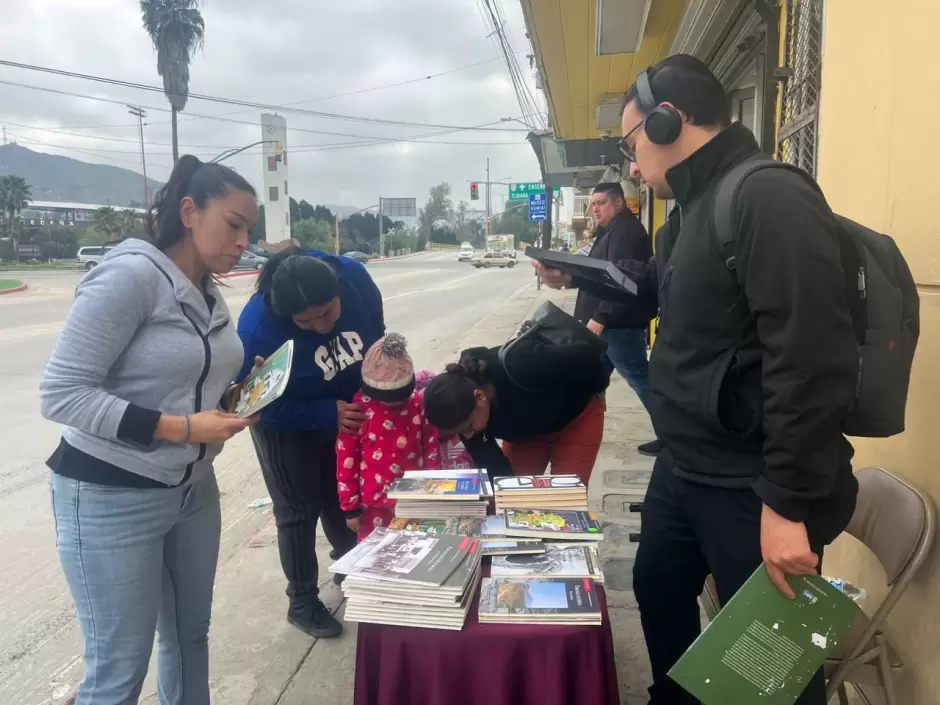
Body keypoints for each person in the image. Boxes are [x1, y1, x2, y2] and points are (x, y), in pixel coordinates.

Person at [543, 54, 859, 705]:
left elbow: (813, 360)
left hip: (754, 480)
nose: (632, 165)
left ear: (668, 121)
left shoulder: (768, 196)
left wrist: (787, 503)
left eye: (632, 143)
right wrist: (580, 274)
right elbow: (661, 291)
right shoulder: (687, 215)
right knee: (658, 585)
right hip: (687, 465)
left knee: (773, 667)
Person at [39, 155, 258, 705]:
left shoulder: (208, 290)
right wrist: (185, 426)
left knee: (190, 640)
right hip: (110, 494)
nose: (242, 241)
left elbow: (185, 378)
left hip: (190, 493)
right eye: (233, 224)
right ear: (189, 211)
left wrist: (231, 400)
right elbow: (63, 395)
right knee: (118, 673)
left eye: (249, 230)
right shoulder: (130, 274)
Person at [237, 246, 385, 639]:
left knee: (345, 496)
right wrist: (323, 413)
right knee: (298, 511)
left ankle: (349, 566)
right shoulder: (257, 329)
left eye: (328, 313)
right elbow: (253, 407)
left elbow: (377, 344)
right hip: (285, 423)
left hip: (348, 413)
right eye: (306, 321)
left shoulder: (354, 277)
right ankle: (302, 601)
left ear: (338, 292)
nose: (321, 326)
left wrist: (372, 397)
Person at [422, 337, 610, 484]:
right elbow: (494, 465)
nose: (469, 435)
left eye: (470, 427)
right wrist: (509, 494)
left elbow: (585, 356)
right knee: (515, 498)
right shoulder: (465, 420)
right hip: (525, 437)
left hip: (575, 421)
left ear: (480, 396)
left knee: (566, 501)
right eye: (462, 432)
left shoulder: (522, 363)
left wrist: (600, 386)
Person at [573, 182, 659, 456]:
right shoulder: (612, 230)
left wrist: (600, 317)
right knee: (589, 379)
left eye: (601, 203)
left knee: (641, 380)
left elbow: (621, 281)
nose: (595, 209)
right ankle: (574, 428)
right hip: (610, 327)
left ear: (619, 203)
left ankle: (674, 436)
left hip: (616, 327)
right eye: (593, 204)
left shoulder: (625, 233)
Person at [336, 333, 442, 539]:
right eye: (389, 400)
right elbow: (346, 463)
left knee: (418, 549)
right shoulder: (357, 414)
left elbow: (431, 447)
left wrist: (435, 490)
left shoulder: (417, 404)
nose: (395, 405)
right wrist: (350, 507)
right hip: (373, 507)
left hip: (416, 500)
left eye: (400, 398)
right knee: (375, 558)